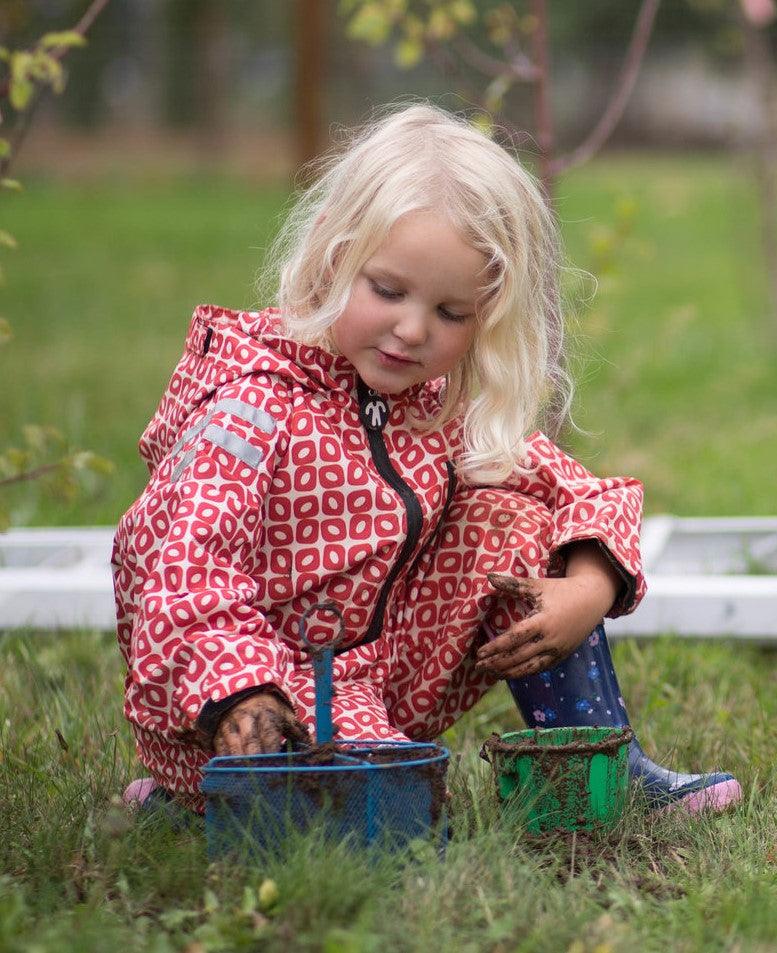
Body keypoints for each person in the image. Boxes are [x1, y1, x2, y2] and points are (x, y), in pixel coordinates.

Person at [114, 103, 741, 817]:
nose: (412, 330)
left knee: (513, 517)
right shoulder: (253, 407)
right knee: (395, 832)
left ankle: (598, 777)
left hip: (369, 681)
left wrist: (587, 590)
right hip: (249, 709)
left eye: (451, 313)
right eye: (387, 290)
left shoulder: (428, 402)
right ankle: (202, 798)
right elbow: (181, 570)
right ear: (329, 255)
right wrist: (242, 695)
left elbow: (576, 491)